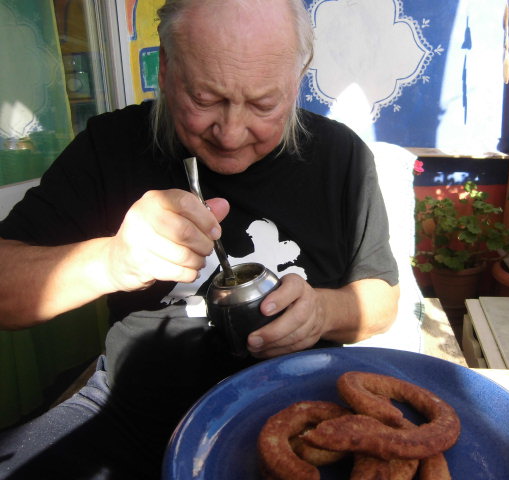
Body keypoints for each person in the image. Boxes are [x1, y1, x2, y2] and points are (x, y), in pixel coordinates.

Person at [0, 0, 399, 478]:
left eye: (263, 104)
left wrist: (322, 313)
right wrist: (111, 262)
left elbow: (382, 301)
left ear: (297, 80)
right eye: (205, 99)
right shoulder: (111, 146)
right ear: (166, 70)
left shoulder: (341, 158)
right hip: (135, 414)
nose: (230, 134)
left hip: (304, 415)